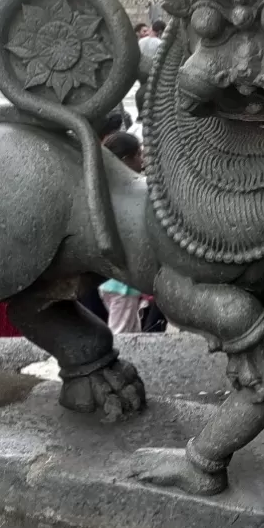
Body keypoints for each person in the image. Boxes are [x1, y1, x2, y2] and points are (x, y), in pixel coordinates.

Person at [99, 131, 145, 332]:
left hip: (110, 280)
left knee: (132, 330)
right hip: (122, 284)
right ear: (126, 159)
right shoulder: (127, 193)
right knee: (121, 334)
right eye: (138, 155)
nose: (142, 160)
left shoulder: (103, 188)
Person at [136, 19, 166, 117]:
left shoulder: (141, 41)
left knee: (142, 89)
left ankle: (141, 109)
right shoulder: (160, 43)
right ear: (160, 31)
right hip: (152, 70)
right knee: (151, 91)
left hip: (141, 70)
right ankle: (148, 111)